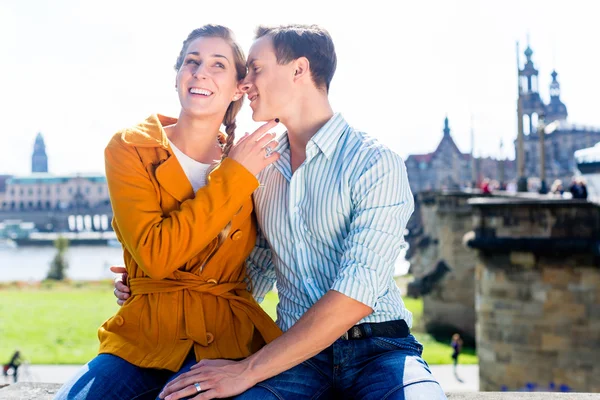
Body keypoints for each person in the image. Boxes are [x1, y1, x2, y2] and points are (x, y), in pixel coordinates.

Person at [117, 24, 446, 399]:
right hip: (292, 358)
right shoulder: (260, 166)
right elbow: (249, 270)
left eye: (255, 69)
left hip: (380, 351)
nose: (244, 83)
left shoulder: (375, 163)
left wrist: (247, 370)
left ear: (299, 70)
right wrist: (157, 290)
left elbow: (357, 293)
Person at [55, 25, 283, 400]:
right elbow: (157, 255)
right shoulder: (131, 147)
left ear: (238, 87)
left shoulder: (253, 161)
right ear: (177, 75)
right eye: (191, 62)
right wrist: (145, 282)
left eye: (217, 65)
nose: (201, 72)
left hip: (224, 337)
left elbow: (267, 254)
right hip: (143, 334)